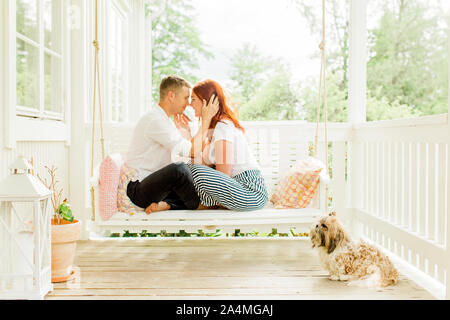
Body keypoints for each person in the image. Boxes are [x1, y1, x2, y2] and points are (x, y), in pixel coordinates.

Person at [124, 75, 219, 213]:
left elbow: (190, 152)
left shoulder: (164, 120)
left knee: (190, 175)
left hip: (155, 186)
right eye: (186, 98)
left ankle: (168, 205)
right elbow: (192, 151)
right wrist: (206, 120)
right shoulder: (155, 120)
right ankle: (197, 204)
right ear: (171, 96)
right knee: (179, 169)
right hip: (138, 191)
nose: (188, 103)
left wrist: (186, 132)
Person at [187, 79, 269, 211]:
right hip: (236, 188)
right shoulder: (213, 130)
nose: (190, 104)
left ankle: (198, 204)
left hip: (250, 191)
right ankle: (182, 203)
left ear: (206, 102)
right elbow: (196, 158)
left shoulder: (223, 127)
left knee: (192, 169)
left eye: (193, 99)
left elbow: (222, 176)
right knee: (187, 167)